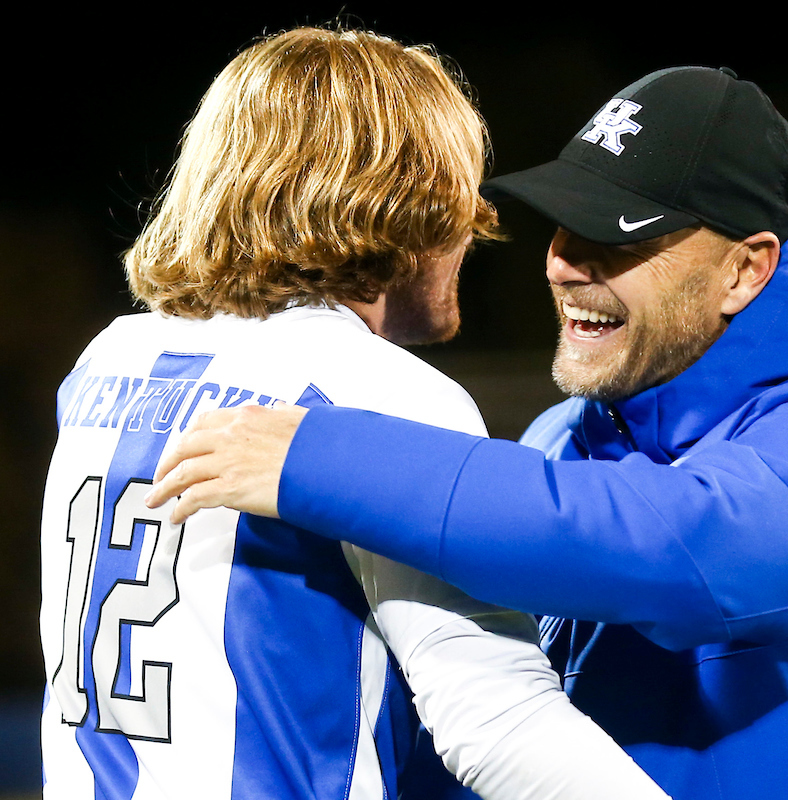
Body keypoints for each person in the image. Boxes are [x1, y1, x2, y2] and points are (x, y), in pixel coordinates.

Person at [149, 66, 788, 799]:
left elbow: (683, 548)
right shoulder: (562, 440)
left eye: (619, 239)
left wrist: (322, 452)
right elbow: (489, 718)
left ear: (745, 268)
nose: (565, 263)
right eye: (565, 225)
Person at [39, 27, 670, 800]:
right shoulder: (375, 389)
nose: (472, 226)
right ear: (409, 199)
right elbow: (499, 723)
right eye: (458, 188)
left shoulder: (107, 362)